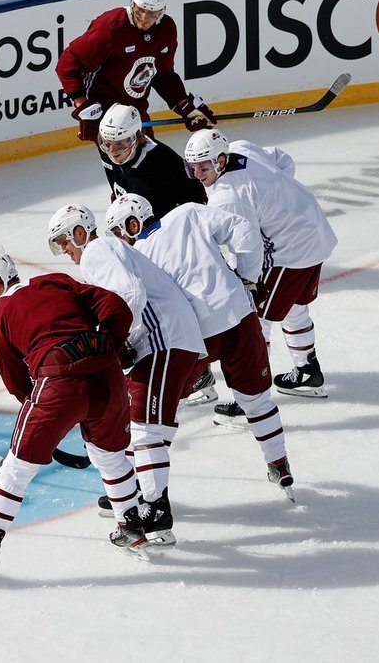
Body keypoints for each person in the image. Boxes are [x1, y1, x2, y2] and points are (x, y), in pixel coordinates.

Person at [0, 250, 149, 583]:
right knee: (110, 456)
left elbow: (16, 381)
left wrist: (45, 417)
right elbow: (116, 307)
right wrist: (109, 348)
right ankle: (131, 528)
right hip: (108, 376)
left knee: (17, 468)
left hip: (56, 379)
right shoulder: (56, 281)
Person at [105, 194, 297, 501]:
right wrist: (246, 276)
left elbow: (139, 303)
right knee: (258, 400)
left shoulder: (138, 255)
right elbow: (244, 230)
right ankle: (279, 462)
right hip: (239, 317)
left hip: (194, 337)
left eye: (118, 232)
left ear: (131, 223)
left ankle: (140, 483)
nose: (119, 240)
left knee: (159, 414)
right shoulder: (187, 213)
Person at [47, 203, 206, 546]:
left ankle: (155, 508)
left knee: (145, 429)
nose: (64, 251)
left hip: (164, 339)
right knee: (145, 427)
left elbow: (130, 294)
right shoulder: (103, 254)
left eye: (64, 241)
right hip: (168, 340)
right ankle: (141, 496)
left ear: (80, 231)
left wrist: (116, 341)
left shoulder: (96, 249)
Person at [184, 128, 337, 419]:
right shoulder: (242, 148)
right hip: (314, 229)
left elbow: (248, 245)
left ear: (220, 160)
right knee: (294, 305)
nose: (197, 173)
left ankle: (251, 398)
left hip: (290, 252)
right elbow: (283, 160)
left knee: (254, 321)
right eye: (192, 167)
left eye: (203, 166)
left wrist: (246, 282)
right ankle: (307, 370)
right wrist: (280, 202)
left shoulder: (228, 196)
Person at [97, 103, 215, 406]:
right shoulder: (109, 153)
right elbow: (118, 184)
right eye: (106, 143)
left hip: (168, 246)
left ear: (136, 138)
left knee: (179, 305)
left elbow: (197, 205)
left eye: (121, 144)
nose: (113, 151)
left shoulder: (164, 163)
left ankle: (197, 369)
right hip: (138, 241)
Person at [55, 0, 215, 145]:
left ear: (162, 11)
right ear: (132, 3)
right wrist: (82, 104)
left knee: (150, 164)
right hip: (107, 117)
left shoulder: (166, 29)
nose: (144, 18)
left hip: (137, 113)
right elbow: (68, 63)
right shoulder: (110, 27)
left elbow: (163, 75)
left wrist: (185, 106)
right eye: (140, 11)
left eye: (151, 13)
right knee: (129, 165)